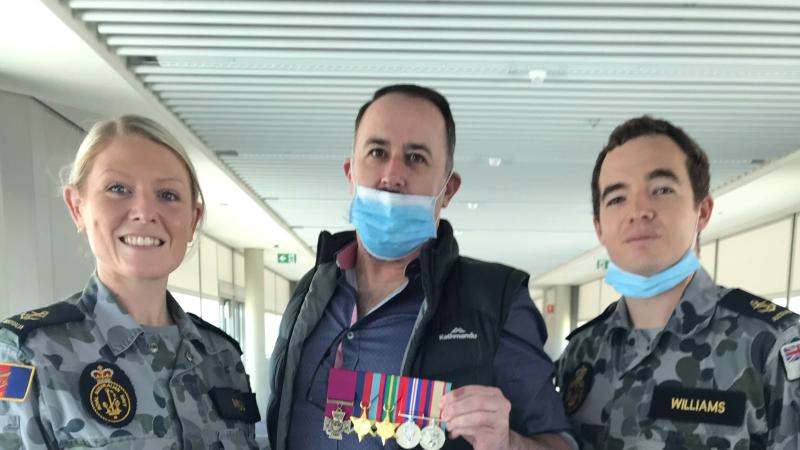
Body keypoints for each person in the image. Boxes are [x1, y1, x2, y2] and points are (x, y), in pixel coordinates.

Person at [267, 85, 574, 450]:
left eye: (416, 158)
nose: (392, 176)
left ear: (448, 190)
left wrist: (509, 443)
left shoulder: (495, 301)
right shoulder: (311, 292)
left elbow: (561, 443)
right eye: (378, 152)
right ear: (350, 173)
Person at [0, 115, 260, 449]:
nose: (144, 211)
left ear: (192, 220)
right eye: (118, 189)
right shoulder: (27, 353)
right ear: (77, 207)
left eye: (167, 195)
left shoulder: (220, 357)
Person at [556, 116, 800, 449]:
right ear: (599, 227)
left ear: (702, 211)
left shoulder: (772, 343)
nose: (639, 210)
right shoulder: (581, 353)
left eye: (661, 190)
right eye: (616, 198)